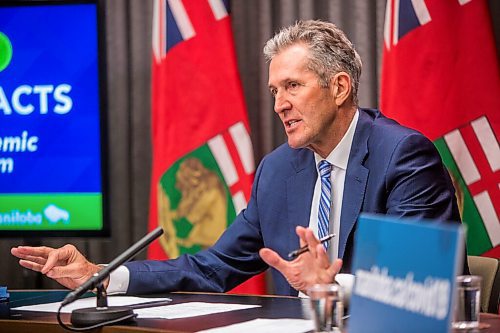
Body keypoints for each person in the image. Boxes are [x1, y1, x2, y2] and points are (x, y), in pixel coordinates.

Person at [11, 20, 464, 297]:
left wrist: (333, 287)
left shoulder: (403, 156)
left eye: (293, 86)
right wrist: (101, 275)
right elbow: (214, 268)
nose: (279, 105)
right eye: (274, 91)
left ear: (340, 87)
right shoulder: (279, 170)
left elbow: (420, 287)